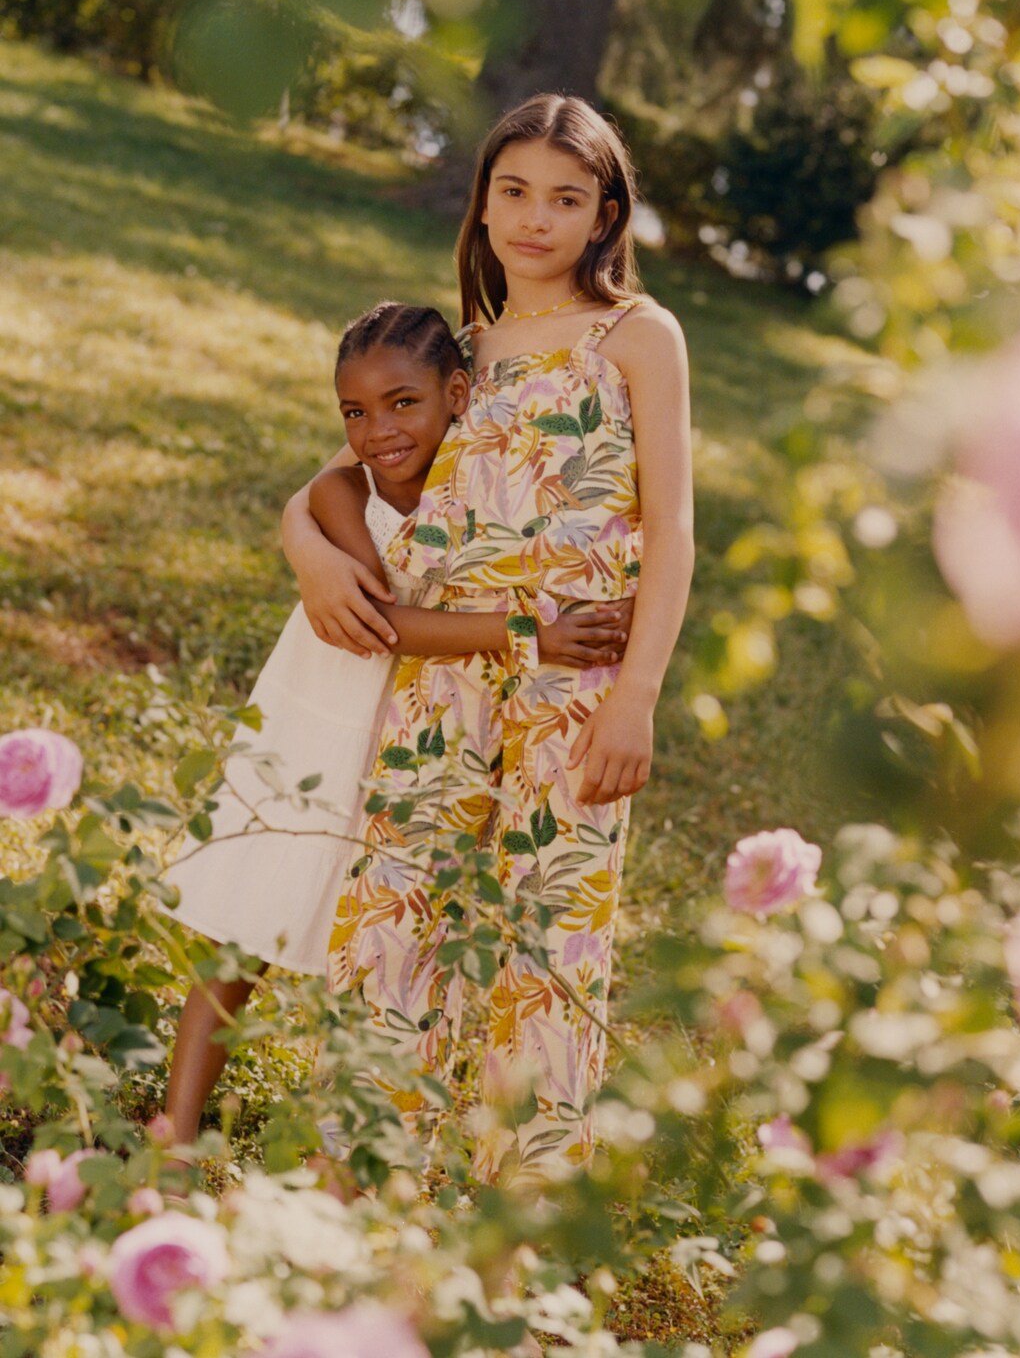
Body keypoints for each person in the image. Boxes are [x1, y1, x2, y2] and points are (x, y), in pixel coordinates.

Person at [281, 94, 694, 1189]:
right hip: (444, 676)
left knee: (547, 932)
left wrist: (636, 694)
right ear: (481, 201)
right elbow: (341, 474)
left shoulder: (636, 335)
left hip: (576, 679)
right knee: (396, 914)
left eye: (566, 197)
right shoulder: (457, 350)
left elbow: (676, 526)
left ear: (605, 213)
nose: (535, 218)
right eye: (512, 190)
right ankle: (351, 1192)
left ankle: (523, 1218)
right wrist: (307, 548)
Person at [160, 301, 633, 1148]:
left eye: (401, 404)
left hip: (418, 739)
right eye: (355, 411)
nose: (377, 428)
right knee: (246, 925)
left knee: (390, 933)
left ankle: (380, 1128)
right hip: (323, 721)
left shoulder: (482, 482)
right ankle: (175, 1131)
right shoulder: (346, 492)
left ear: (458, 393)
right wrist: (534, 634)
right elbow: (390, 628)